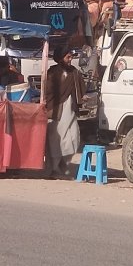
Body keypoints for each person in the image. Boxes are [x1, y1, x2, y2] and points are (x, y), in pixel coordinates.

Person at [44, 46, 84, 179]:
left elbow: (81, 89)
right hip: (56, 111)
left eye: (71, 57)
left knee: (73, 138)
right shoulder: (52, 72)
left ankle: (63, 165)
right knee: (56, 140)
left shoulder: (74, 72)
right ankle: (54, 169)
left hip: (70, 111)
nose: (70, 59)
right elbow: (48, 91)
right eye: (68, 57)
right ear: (60, 58)